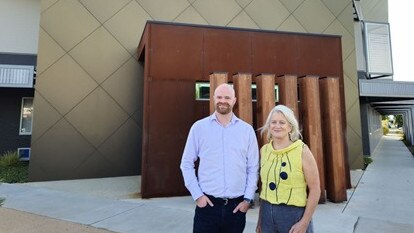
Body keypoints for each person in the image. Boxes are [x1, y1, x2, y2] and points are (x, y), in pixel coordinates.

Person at [180, 83, 259, 233]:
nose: (223, 101)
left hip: (236, 209)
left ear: (234, 100)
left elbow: (253, 168)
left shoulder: (246, 131)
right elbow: (186, 163)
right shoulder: (199, 128)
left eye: (227, 97)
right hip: (207, 207)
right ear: (213, 99)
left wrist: (247, 199)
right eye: (219, 97)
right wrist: (198, 196)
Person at [256, 105, 320, 233]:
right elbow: (265, 188)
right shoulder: (264, 151)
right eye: (273, 122)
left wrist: (304, 223)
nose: (277, 126)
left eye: (282, 122)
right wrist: (260, 221)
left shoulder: (302, 150)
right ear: (269, 126)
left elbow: (315, 189)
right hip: (267, 215)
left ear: (290, 126)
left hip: (293, 215)